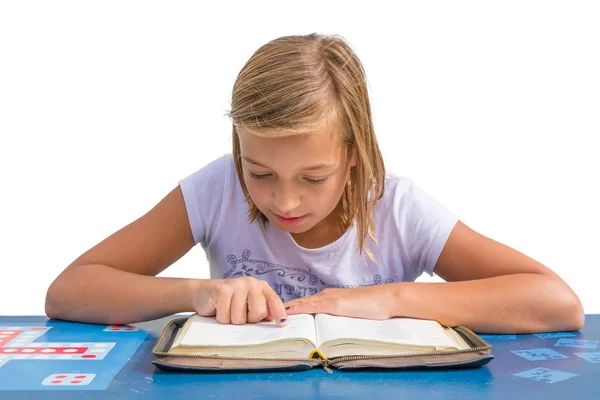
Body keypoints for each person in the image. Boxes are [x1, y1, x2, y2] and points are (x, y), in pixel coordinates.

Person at [45, 33, 584, 334]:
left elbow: (558, 302)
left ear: (354, 154)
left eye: (314, 176)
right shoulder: (218, 188)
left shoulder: (397, 209)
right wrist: (198, 292)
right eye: (260, 173)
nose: (285, 200)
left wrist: (391, 298)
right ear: (239, 150)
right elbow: (69, 290)